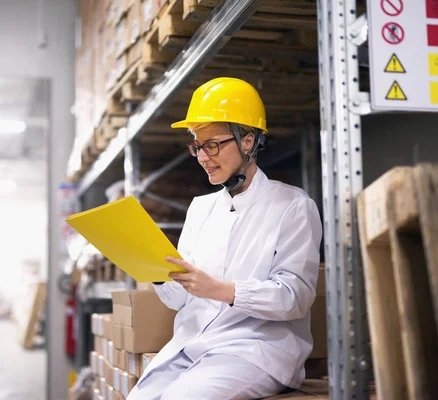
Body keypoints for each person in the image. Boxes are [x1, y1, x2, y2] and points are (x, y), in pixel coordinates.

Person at [126, 77, 322, 400]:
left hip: (255, 351)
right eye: (197, 147)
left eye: (212, 145)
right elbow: (179, 299)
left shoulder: (293, 207)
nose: (203, 157)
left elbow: (294, 296)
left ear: (247, 141)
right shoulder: (200, 209)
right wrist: (157, 274)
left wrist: (220, 290)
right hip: (194, 344)